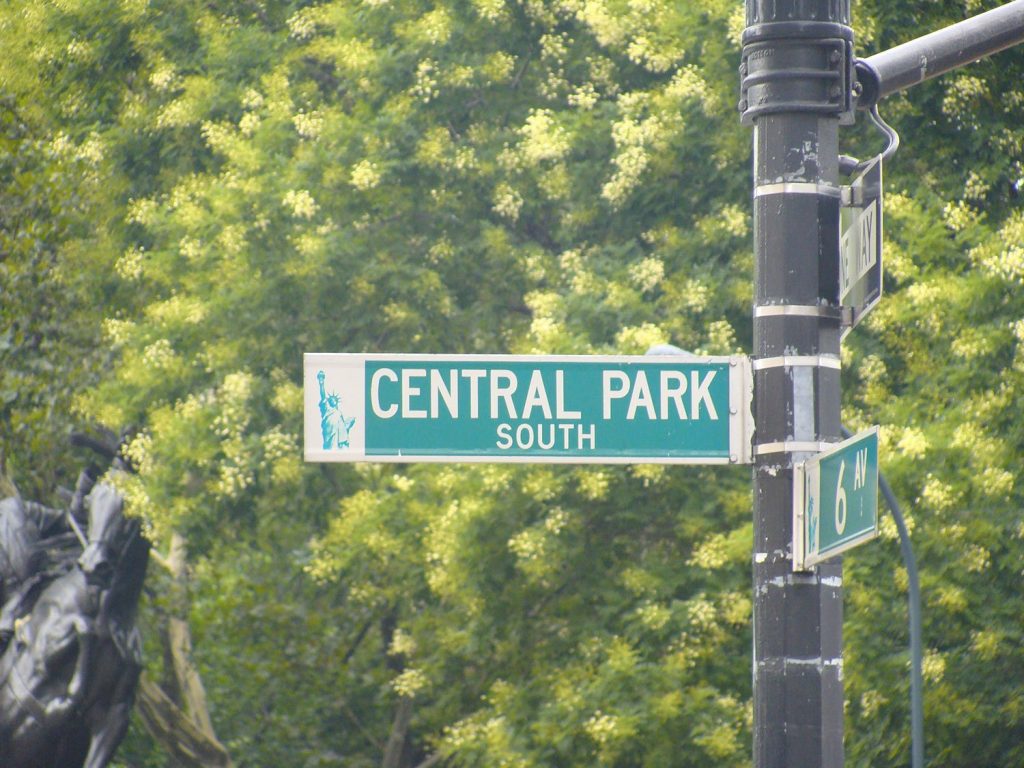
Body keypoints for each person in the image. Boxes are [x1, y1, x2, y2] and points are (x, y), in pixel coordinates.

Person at [318, 370, 356, 449]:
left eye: (334, 399)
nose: (333, 400)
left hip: (339, 438)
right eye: (331, 400)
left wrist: (349, 422)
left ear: (336, 402)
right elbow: (323, 396)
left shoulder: (339, 413)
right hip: (329, 433)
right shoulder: (326, 409)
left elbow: (343, 427)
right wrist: (321, 383)